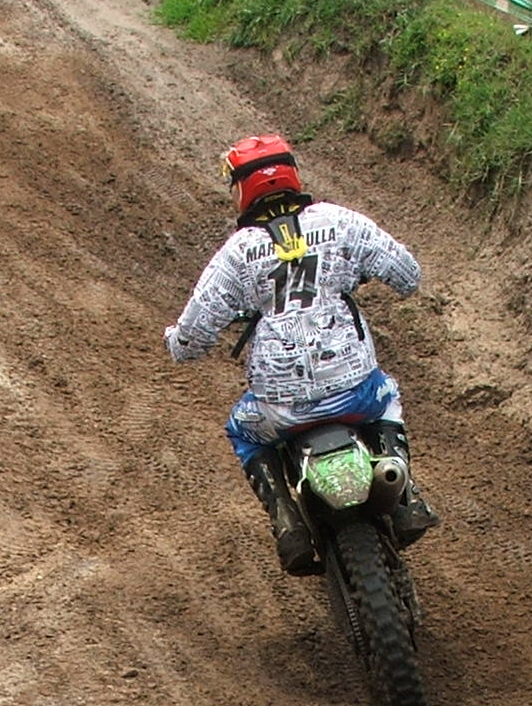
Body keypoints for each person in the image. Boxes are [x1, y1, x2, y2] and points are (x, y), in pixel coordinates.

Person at [166, 134, 439, 576]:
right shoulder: (339, 221)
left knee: (242, 430)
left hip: (281, 409)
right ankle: (405, 499)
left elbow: (192, 339)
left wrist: (175, 341)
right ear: (291, 173)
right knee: (388, 396)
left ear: (242, 188)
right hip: (357, 391)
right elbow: (408, 275)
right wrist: (354, 275)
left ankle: (288, 523)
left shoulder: (237, 254)